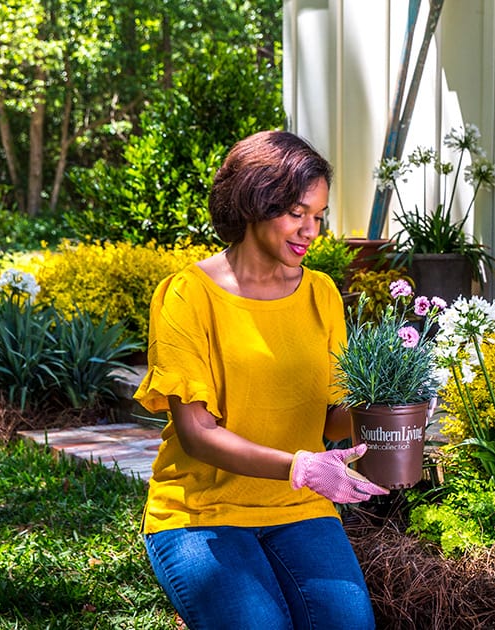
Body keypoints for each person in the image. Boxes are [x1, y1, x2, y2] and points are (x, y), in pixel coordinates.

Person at [134, 130, 388, 630]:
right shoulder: (187, 294)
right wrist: (302, 467)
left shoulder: (322, 294)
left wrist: (390, 417)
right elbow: (197, 433)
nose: (310, 230)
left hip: (297, 505)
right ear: (254, 202)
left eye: (318, 216)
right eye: (296, 212)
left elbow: (331, 416)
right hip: (202, 511)